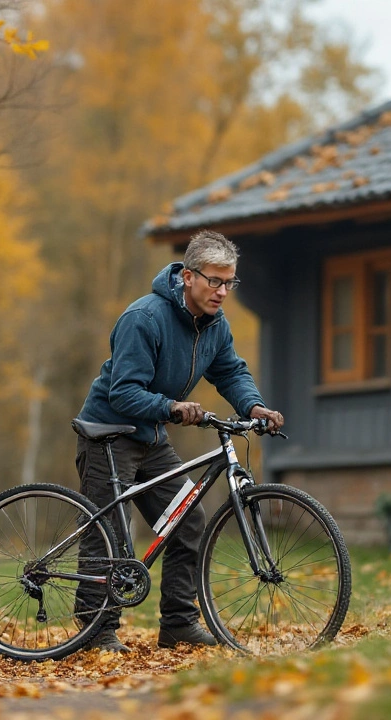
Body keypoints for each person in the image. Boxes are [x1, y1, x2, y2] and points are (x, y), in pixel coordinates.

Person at [73, 229, 284, 653]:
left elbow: (229, 372)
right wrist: (171, 406)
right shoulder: (144, 319)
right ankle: (96, 629)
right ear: (188, 277)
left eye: (230, 282)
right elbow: (122, 392)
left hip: (151, 436)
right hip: (109, 434)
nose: (223, 291)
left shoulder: (214, 325)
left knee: (188, 520)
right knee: (109, 531)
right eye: (215, 281)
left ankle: (178, 623)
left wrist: (254, 407)